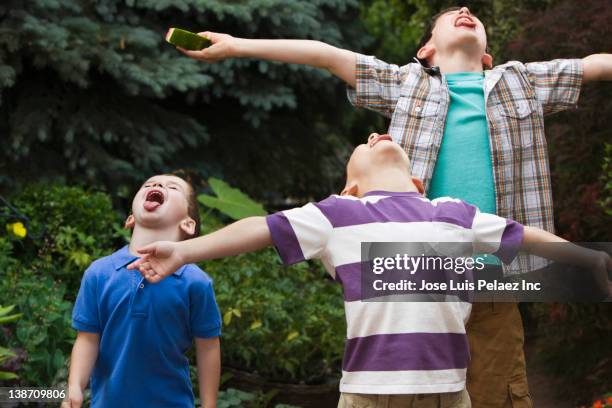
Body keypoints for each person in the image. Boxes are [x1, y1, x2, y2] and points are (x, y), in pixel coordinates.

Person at [171, 8, 612, 405]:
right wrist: (236, 45)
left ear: (487, 57)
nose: (465, 10)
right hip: (411, 278)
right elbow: (325, 54)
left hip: (493, 280)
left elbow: (594, 65)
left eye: (472, 14)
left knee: (497, 393)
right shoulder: (407, 83)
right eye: (451, 14)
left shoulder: (522, 81)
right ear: (427, 49)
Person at [127, 134, 612, 408]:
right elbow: (258, 227)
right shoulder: (338, 214)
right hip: (367, 395)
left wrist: (587, 257)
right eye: (363, 142)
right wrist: (186, 253)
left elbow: (525, 234)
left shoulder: (454, 211)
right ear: (351, 184)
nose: (375, 135)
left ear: (417, 180)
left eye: (383, 137)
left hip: (448, 393)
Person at [62, 174, 222, 408]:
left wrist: (209, 405)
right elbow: (87, 339)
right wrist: (74, 387)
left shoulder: (195, 282)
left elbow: (208, 346)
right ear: (130, 219)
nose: (157, 185)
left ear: (187, 224)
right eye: (148, 184)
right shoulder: (98, 273)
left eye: (172, 187)